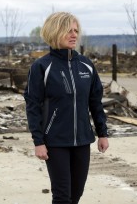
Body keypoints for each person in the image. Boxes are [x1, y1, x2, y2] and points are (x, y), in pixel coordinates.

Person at [24, 12, 109, 204]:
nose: (74, 35)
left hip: (82, 141)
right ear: (55, 32)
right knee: (62, 196)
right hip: (55, 141)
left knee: (76, 194)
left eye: (76, 31)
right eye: (68, 30)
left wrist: (102, 133)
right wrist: (38, 141)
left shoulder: (86, 65)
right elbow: (33, 106)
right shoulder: (41, 66)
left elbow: (95, 102)